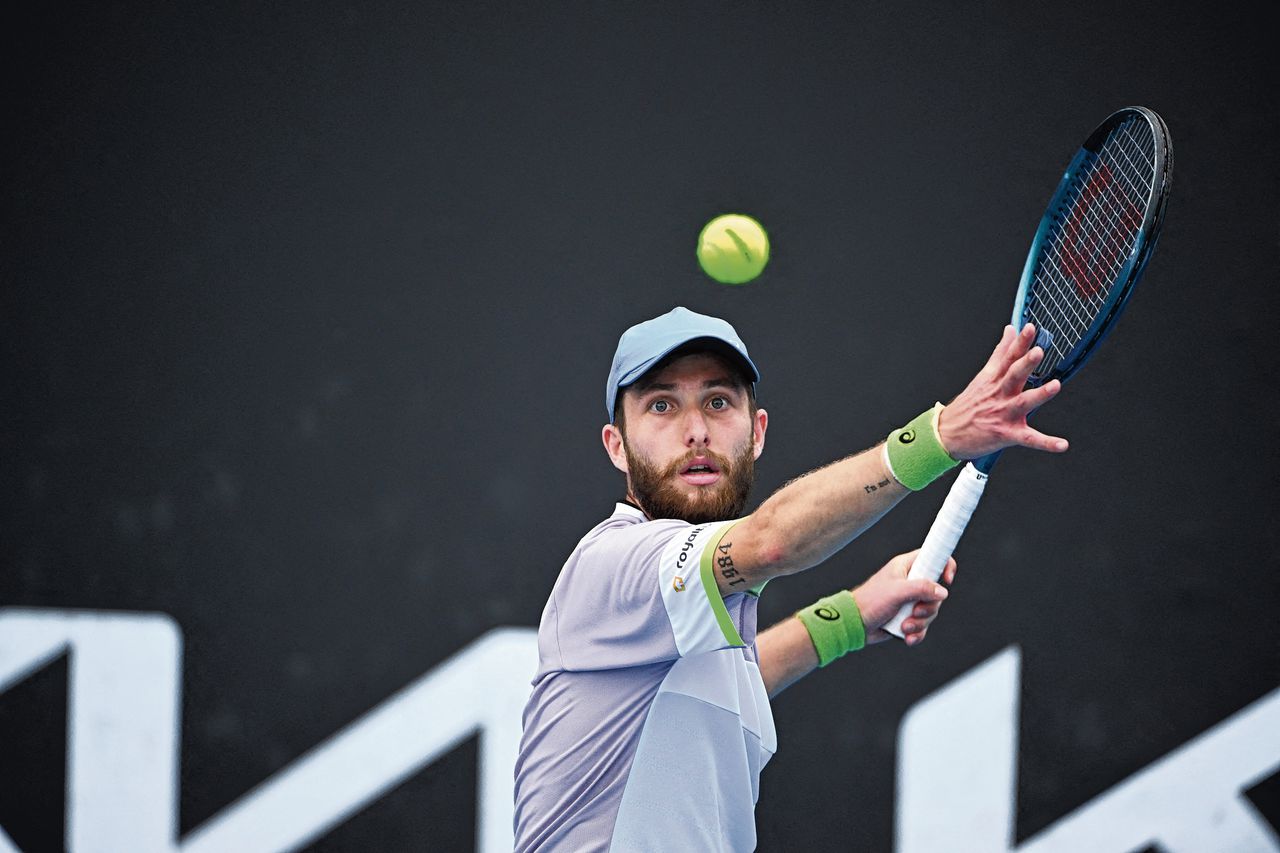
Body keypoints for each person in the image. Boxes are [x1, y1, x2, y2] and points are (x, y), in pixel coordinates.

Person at [512, 306, 1066, 852]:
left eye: (718, 401)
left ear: (756, 433)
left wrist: (850, 617)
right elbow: (770, 541)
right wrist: (939, 436)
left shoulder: (687, 617)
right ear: (617, 447)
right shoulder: (616, 563)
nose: (696, 431)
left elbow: (726, 682)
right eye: (662, 405)